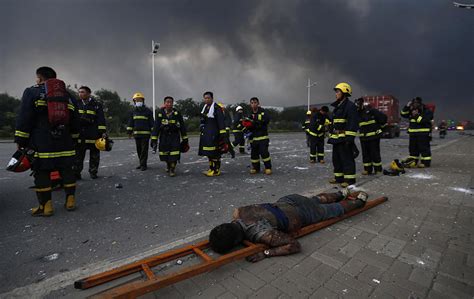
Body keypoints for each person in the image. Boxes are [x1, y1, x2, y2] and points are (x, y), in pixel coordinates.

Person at [209, 189, 368, 262]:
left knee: (331, 210)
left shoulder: (262, 234)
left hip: (300, 214)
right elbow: (239, 214)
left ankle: (359, 202)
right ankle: (341, 193)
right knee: (315, 200)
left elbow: (294, 245)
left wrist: (266, 253)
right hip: (288, 200)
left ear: (236, 241)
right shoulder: (238, 212)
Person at [14, 66, 80, 216]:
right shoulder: (68, 95)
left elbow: (25, 118)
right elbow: (75, 120)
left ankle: (46, 206)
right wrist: (74, 138)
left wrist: (21, 139)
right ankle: (70, 201)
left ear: (39, 78)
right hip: (65, 140)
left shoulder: (32, 92)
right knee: (67, 170)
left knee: (41, 172)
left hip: (41, 141)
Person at [327, 83, 359, 187]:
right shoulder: (338, 106)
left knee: (347, 159)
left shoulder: (350, 106)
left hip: (344, 138)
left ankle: (349, 180)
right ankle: (339, 178)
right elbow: (335, 122)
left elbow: (352, 123)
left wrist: (349, 139)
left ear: (344, 92)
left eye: (338, 92)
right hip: (336, 138)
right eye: (336, 92)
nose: (336, 94)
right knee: (336, 159)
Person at [73, 86, 107, 180]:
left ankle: (93, 172)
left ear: (88, 93)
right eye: (79, 92)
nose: (80, 94)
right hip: (80, 135)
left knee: (94, 155)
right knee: (78, 156)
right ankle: (76, 173)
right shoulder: (76, 103)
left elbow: (101, 119)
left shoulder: (96, 105)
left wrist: (102, 132)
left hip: (93, 134)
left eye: (83, 92)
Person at [151, 96, 188, 176]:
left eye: (170, 102)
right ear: (164, 103)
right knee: (165, 154)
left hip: (174, 137)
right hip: (164, 137)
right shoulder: (160, 113)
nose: (169, 104)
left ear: (172, 104)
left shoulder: (177, 114)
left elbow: (182, 127)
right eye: (167, 102)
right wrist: (154, 139)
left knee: (174, 154)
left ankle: (172, 169)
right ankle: (168, 165)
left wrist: (185, 139)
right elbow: (156, 127)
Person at [355, 98, 387, 175]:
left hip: (373, 137)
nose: (357, 107)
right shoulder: (357, 114)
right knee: (365, 155)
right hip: (363, 138)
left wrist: (381, 129)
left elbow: (383, 118)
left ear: (362, 104)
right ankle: (367, 169)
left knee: (375, 154)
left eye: (358, 105)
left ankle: (378, 169)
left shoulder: (371, 111)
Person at [198, 91, 227, 177]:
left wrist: (222, 134)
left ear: (212, 98)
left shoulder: (216, 108)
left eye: (208, 98)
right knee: (209, 153)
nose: (207, 99)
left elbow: (221, 121)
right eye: (205, 98)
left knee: (215, 153)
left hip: (214, 133)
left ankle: (216, 170)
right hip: (207, 134)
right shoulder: (205, 108)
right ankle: (211, 168)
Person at [400, 97, 434, 167]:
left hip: (423, 134)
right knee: (413, 149)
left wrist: (415, 115)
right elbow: (403, 114)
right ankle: (413, 161)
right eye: (413, 103)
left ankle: (425, 163)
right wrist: (407, 106)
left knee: (424, 148)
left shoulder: (426, 111)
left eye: (416, 103)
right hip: (413, 134)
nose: (415, 105)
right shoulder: (411, 110)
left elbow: (423, 120)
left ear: (420, 103)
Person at [127, 92, 154, 171]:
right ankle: (141, 163)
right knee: (139, 150)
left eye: (139, 100)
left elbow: (151, 123)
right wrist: (129, 132)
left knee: (144, 150)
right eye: (136, 100)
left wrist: (154, 133)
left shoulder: (148, 111)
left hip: (145, 135)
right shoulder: (133, 112)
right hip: (136, 134)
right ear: (134, 102)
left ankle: (143, 165)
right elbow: (130, 122)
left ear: (143, 101)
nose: (138, 101)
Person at [248, 97, 272, 175]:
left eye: (255, 102)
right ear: (250, 104)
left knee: (264, 153)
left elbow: (267, 120)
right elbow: (248, 125)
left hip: (263, 137)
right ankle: (255, 168)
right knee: (254, 154)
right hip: (254, 138)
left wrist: (258, 122)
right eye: (252, 103)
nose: (254, 104)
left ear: (258, 103)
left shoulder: (263, 112)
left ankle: (268, 168)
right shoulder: (250, 114)